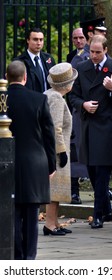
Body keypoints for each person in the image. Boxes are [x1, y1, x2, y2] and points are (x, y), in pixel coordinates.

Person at [69, 35, 112, 229]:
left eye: (98, 52)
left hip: (107, 126)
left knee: (102, 171)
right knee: (92, 171)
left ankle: (97, 215)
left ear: (106, 50)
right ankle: (107, 209)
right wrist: (83, 105)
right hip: (88, 124)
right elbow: (73, 96)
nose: (94, 56)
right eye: (92, 52)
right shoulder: (81, 68)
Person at [6, 60, 56, 259]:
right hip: (35, 162)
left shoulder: (3, 100)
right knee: (31, 214)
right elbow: (48, 135)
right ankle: (29, 257)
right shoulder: (38, 100)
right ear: (25, 77)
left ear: (7, 77)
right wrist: (51, 165)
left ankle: (16, 255)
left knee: (13, 213)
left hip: (8, 162)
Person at [43, 62, 78, 235]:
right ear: (67, 84)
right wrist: (62, 151)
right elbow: (55, 127)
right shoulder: (56, 98)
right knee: (54, 189)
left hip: (54, 149)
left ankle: (54, 222)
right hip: (57, 151)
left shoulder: (51, 94)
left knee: (57, 190)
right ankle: (49, 224)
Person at [67, 28, 88, 204]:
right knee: (75, 150)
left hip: (93, 110)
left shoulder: (91, 56)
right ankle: (74, 190)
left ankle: (102, 192)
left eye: (81, 37)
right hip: (77, 108)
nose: (79, 41)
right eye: (76, 38)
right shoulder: (72, 57)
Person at [14, 27, 56, 93]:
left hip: (47, 101)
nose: (39, 43)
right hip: (29, 101)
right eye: (35, 39)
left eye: (41, 40)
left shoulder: (48, 59)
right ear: (28, 40)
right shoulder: (19, 61)